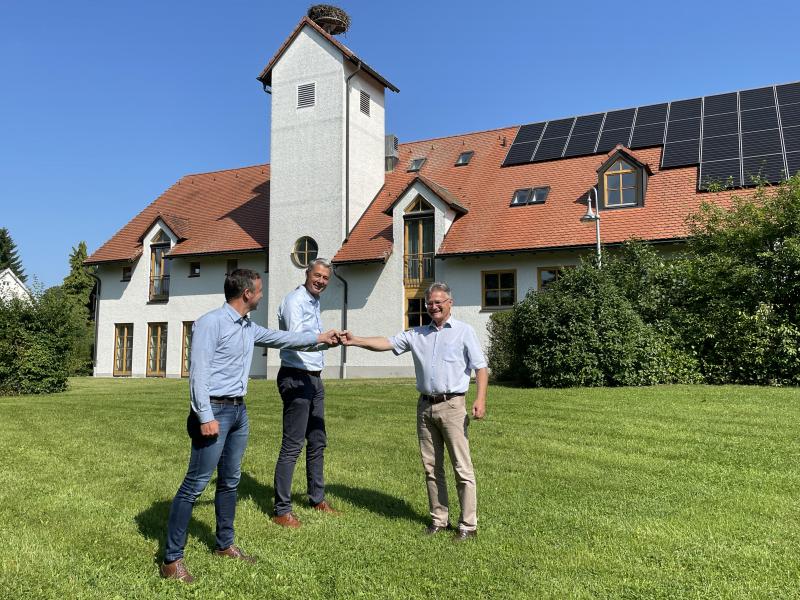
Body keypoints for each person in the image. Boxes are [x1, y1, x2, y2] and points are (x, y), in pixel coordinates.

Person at [160, 269, 340, 582]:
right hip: (214, 411)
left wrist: (319, 338)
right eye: (258, 291)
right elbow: (198, 374)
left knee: (230, 481)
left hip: (238, 412)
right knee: (195, 485)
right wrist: (205, 417)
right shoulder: (210, 323)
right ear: (246, 294)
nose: (261, 295)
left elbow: (281, 337)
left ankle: (224, 545)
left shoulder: (247, 327)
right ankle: (171, 560)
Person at [342, 282, 488, 542]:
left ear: (450, 303)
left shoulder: (464, 332)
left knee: (461, 467)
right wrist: (356, 341)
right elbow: (386, 343)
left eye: (439, 302)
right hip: (425, 407)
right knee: (431, 468)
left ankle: (468, 525)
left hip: (453, 406)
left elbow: (481, 368)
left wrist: (480, 400)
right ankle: (439, 519)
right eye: (430, 303)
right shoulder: (416, 334)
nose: (434, 307)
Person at [271, 258, 340, 528]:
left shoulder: (313, 302)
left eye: (325, 278)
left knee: (318, 440)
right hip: (295, 377)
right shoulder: (294, 302)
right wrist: (323, 338)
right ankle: (281, 510)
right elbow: (296, 339)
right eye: (318, 275)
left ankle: (317, 498)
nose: (321, 281)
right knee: (292, 445)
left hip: (314, 378)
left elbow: (311, 340)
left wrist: (328, 341)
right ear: (307, 273)